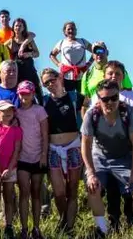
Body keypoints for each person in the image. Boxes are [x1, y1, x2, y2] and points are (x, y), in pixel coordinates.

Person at [81, 80, 133, 238]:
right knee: (93, 188)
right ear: (98, 99)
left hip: (125, 158)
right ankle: (102, 230)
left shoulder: (129, 113)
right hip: (100, 158)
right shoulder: (92, 115)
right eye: (105, 99)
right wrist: (90, 172)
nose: (110, 102)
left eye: (114, 97)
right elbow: (85, 145)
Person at [41, 68, 82, 233]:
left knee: (72, 190)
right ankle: (64, 219)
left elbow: (94, 105)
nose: (50, 84)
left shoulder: (74, 96)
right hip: (53, 149)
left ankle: (68, 228)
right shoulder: (43, 101)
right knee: (58, 192)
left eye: (52, 79)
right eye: (46, 83)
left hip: (73, 146)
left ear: (60, 77)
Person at [15, 81, 48, 239]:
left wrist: (43, 155)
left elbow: (45, 135)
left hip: (38, 157)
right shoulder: (16, 112)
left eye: (27, 93)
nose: (24, 96)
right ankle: (24, 229)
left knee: (36, 192)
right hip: (22, 158)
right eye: (21, 93)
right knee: (24, 193)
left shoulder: (39, 110)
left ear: (33, 94)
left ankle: (36, 228)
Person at [0, 100, 22, 239]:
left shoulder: (17, 130)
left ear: (14, 112)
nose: (7, 113)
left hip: (10, 168)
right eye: (3, 111)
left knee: (9, 198)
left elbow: (16, 150)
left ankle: (9, 226)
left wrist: (9, 168)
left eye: (10, 111)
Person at [5, 18, 42, 106]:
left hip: (30, 70)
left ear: (23, 28)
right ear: (13, 27)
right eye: (16, 26)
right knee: (19, 93)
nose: (18, 28)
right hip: (18, 72)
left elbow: (37, 53)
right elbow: (2, 51)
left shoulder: (29, 40)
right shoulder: (10, 42)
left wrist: (29, 54)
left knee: (37, 93)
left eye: (20, 26)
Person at [49, 21, 93, 94]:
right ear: (65, 31)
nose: (71, 31)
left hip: (81, 74)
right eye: (69, 29)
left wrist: (89, 63)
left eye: (73, 29)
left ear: (76, 30)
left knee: (83, 96)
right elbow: (52, 55)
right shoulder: (61, 43)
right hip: (67, 76)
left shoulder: (82, 41)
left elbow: (94, 51)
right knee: (68, 96)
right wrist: (58, 64)